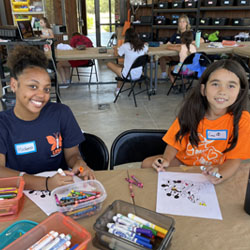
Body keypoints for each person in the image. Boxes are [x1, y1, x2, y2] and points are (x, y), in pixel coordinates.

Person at [0, 45, 95, 191]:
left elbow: (73, 154)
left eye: (46, 89)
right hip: (20, 195)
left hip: (62, 192)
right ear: (14, 84)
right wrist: (45, 183)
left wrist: (79, 163)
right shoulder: (3, 124)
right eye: (33, 86)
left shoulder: (61, 113)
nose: (41, 95)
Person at [142, 59, 250, 184]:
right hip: (184, 162)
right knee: (146, 164)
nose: (222, 91)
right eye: (215, 84)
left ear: (240, 92)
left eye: (231, 86)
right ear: (203, 89)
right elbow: (174, 143)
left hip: (216, 166)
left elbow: (234, 160)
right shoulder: (190, 112)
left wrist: (220, 174)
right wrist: (166, 159)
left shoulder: (242, 120)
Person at [107, 28, 148, 96]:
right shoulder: (143, 46)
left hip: (128, 75)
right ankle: (118, 89)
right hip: (139, 74)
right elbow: (146, 48)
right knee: (120, 66)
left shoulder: (125, 46)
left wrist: (115, 48)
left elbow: (117, 55)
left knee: (109, 64)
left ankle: (118, 90)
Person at [159, 15, 203, 79]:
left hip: (184, 60)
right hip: (177, 56)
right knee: (162, 57)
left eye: (183, 22)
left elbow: (201, 40)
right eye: (180, 22)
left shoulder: (190, 33)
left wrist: (188, 43)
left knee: (171, 69)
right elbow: (168, 44)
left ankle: (175, 83)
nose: (181, 24)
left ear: (187, 23)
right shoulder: (176, 34)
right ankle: (164, 74)